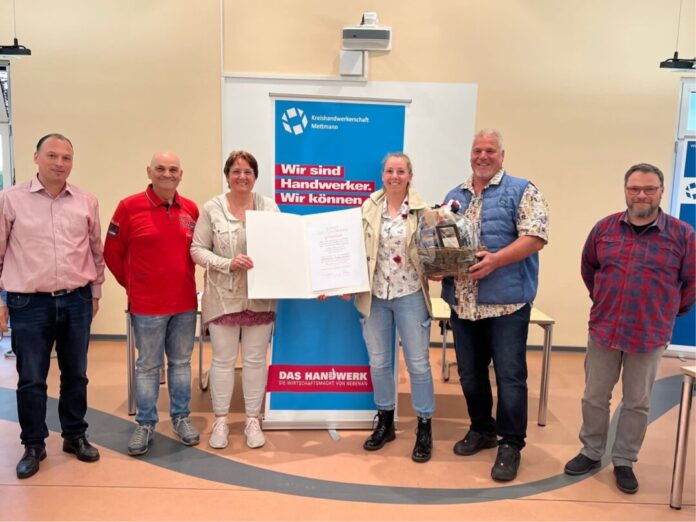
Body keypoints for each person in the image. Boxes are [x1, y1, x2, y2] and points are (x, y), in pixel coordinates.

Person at [564, 163, 695, 494]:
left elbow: (691, 282)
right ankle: (591, 451)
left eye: (649, 189)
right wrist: (605, 300)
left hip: (649, 335)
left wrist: (668, 312)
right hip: (605, 329)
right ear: (625, 190)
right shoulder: (604, 229)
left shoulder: (682, 235)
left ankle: (624, 460)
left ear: (661, 192)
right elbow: (588, 269)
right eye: (635, 188)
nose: (641, 195)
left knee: (637, 402)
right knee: (595, 397)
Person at [442, 129, 549, 481]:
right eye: (477, 150)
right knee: (470, 374)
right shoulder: (454, 196)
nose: (483, 156)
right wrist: (437, 265)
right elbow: (443, 242)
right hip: (464, 304)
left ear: (502, 155)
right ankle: (482, 429)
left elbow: (535, 237)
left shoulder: (523, 190)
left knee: (510, 376)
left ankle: (511, 443)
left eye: (490, 150)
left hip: (507, 304)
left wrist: (496, 261)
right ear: (470, 155)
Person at [0, 133, 104, 478]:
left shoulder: (86, 201)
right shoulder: (10, 200)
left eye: (66, 158)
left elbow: (95, 250)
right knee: (31, 378)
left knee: (76, 374)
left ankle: (75, 435)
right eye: (52, 156)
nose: (59, 163)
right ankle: (33, 443)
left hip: (76, 300)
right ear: (36, 158)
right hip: (28, 303)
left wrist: (96, 293)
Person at [104, 151, 200, 456]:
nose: (167, 174)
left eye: (173, 169)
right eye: (160, 168)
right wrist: (134, 286)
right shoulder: (129, 207)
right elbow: (111, 253)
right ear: (149, 171)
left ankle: (181, 418)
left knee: (182, 364)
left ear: (181, 175)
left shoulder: (191, 210)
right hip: (146, 307)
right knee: (148, 366)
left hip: (184, 303)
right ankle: (145, 424)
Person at [190, 151, 278, 450]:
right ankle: (222, 421)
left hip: (260, 299)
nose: (242, 176)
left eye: (248, 171)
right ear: (227, 175)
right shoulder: (212, 208)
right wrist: (227, 263)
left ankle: (253, 419)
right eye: (236, 171)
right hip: (222, 297)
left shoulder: (269, 207)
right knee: (223, 361)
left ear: (255, 176)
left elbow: (284, 246)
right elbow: (197, 250)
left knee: (255, 361)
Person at [354, 152, 435, 463]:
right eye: (390, 170)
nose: (395, 176)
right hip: (375, 295)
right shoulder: (368, 207)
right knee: (379, 362)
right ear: (382, 174)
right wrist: (345, 283)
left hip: (410, 293)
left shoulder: (423, 211)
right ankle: (385, 420)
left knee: (418, 364)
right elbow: (355, 248)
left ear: (409, 175)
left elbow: (432, 252)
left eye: (401, 171)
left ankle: (424, 425)